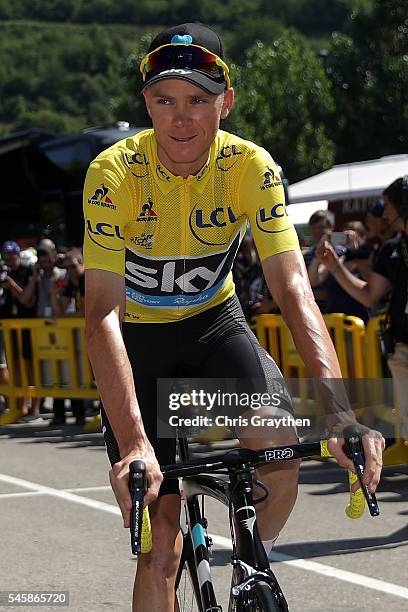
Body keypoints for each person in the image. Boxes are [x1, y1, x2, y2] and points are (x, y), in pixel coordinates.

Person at [83, 23, 384, 611]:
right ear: (146, 103)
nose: (182, 118)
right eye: (165, 100)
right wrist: (136, 444)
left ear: (226, 101)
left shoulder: (252, 168)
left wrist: (342, 410)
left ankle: (249, 556)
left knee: (282, 450)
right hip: (141, 345)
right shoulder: (113, 173)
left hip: (214, 328)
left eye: (198, 99)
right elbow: (100, 314)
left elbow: (293, 287)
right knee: (160, 549)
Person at [316, 177, 408, 440]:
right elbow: (368, 295)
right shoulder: (392, 249)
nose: (385, 211)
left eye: (389, 204)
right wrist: (335, 266)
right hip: (403, 349)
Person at [0, 240, 37, 420]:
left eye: (11, 257)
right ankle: (20, 406)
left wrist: (12, 286)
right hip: (9, 327)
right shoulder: (4, 273)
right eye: (5, 258)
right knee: (14, 366)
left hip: (27, 326)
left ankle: (35, 408)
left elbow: (26, 300)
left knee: (30, 366)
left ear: (17, 256)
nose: (9, 261)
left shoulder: (27, 271)